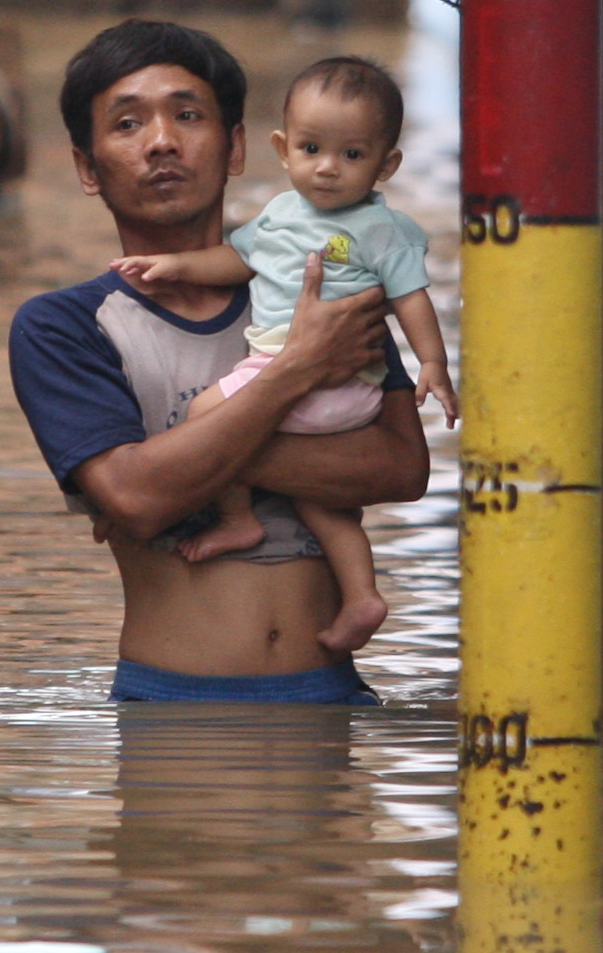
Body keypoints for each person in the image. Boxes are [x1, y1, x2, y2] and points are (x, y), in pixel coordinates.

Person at [8, 20, 430, 704]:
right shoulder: (62, 327)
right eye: (126, 124)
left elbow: (402, 468)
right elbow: (139, 500)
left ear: (235, 147)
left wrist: (168, 462)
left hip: (334, 700)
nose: (163, 142)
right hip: (172, 713)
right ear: (88, 168)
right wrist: (295, 372)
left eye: (187, 115)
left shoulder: (328, 288)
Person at [110, 56, 457, 652]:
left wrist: (433, 364)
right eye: (312, 148)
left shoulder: (382, 229)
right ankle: (363, 595)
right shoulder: (280, 215)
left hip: (329, 381)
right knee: (322, 502)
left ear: (386, 164)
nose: (327, 168)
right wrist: (174, 268)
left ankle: (236, 516)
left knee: (204, 419)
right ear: (283, 147)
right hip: (336, 396)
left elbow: (412, 299)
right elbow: (237, 260)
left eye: (352, 156)